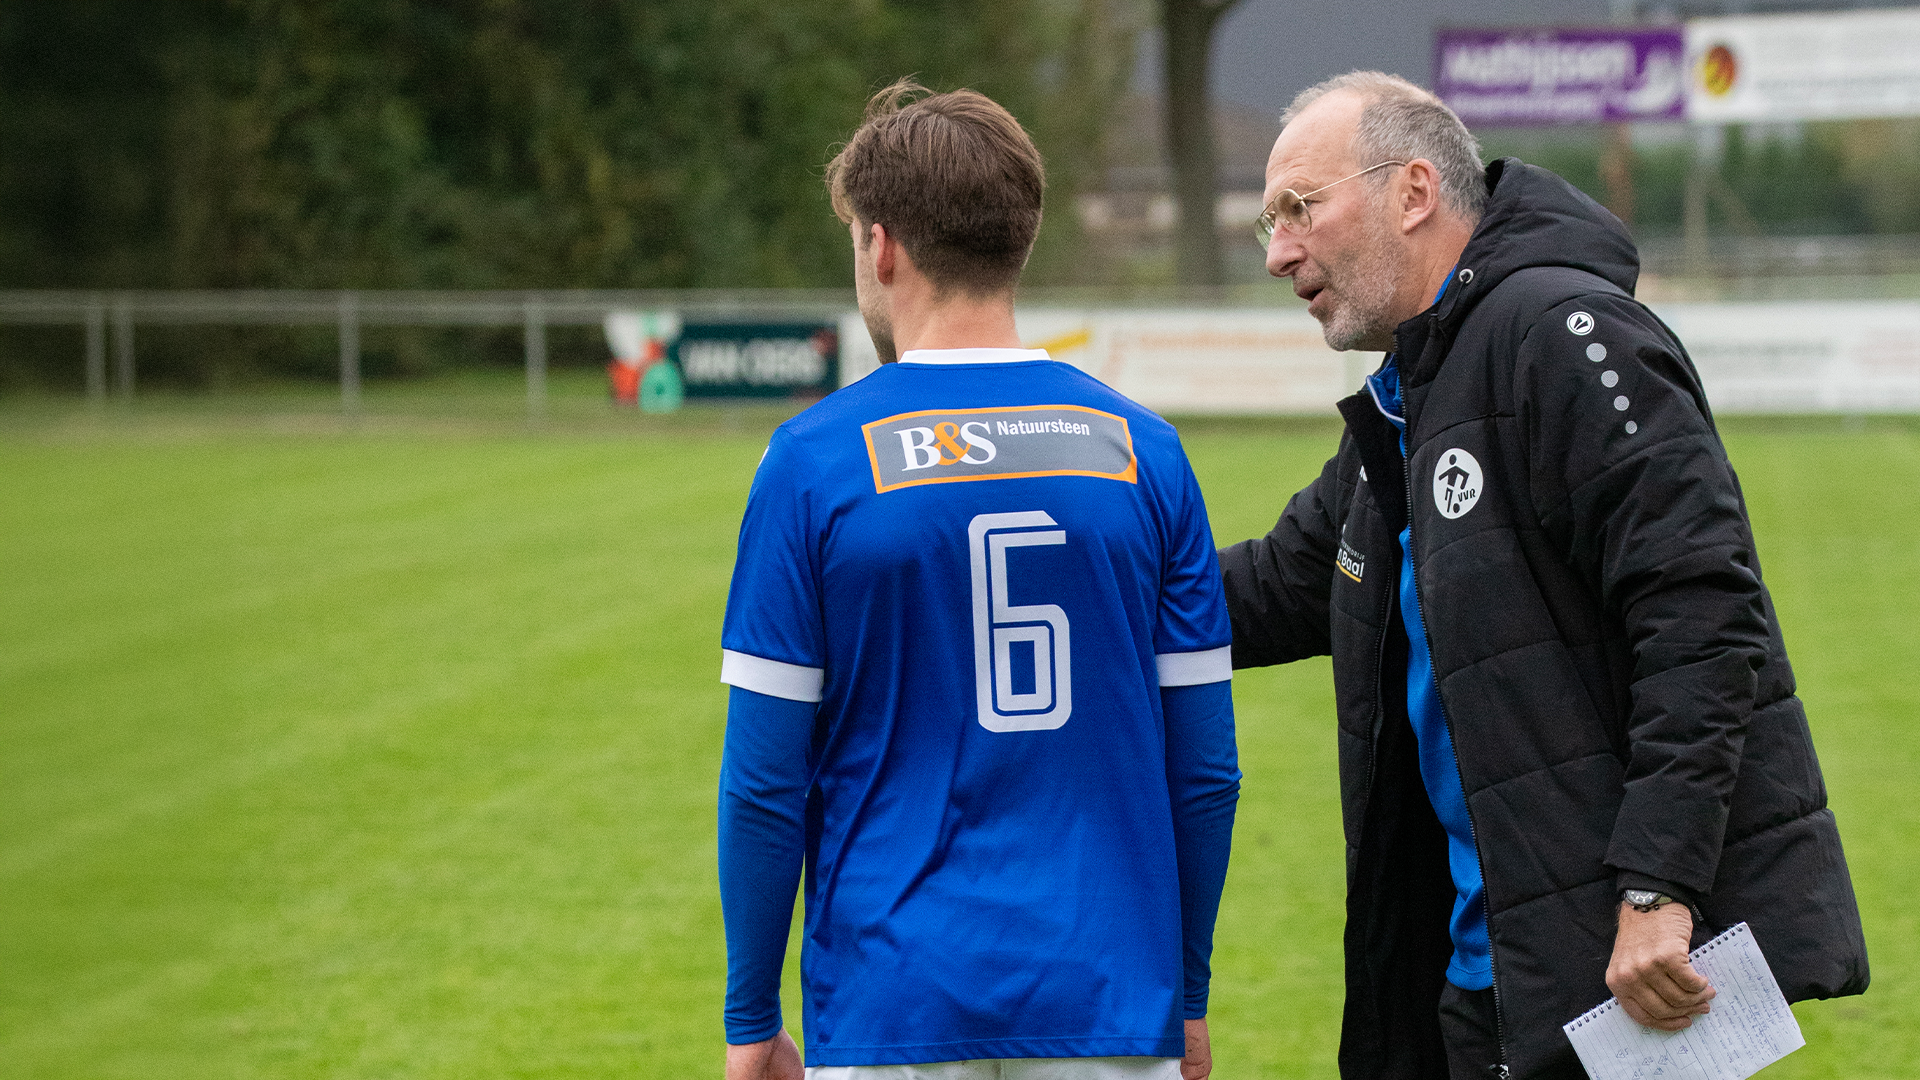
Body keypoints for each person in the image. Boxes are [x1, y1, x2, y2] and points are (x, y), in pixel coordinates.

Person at [1219, 71, 1868, 1079]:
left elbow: (1701, 616)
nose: (1277, 251)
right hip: (1486, 973)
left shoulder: (1562, 334)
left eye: (1299, 208)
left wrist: (1658, 887)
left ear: (1415, 191)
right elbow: (1278, 589)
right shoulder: (1411, 390)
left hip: (1610, 973)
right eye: (1269, 220)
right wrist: (1072, 572)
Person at [717, 80, 1239, 1080]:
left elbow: (764, 781)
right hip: (1110, 998)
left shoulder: (812, 461)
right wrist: (1193, 993)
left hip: (890, 998)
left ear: (881, 246)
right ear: (1019, 238)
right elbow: (1205, 769)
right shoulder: (1148, 453)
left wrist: (751, 1018)